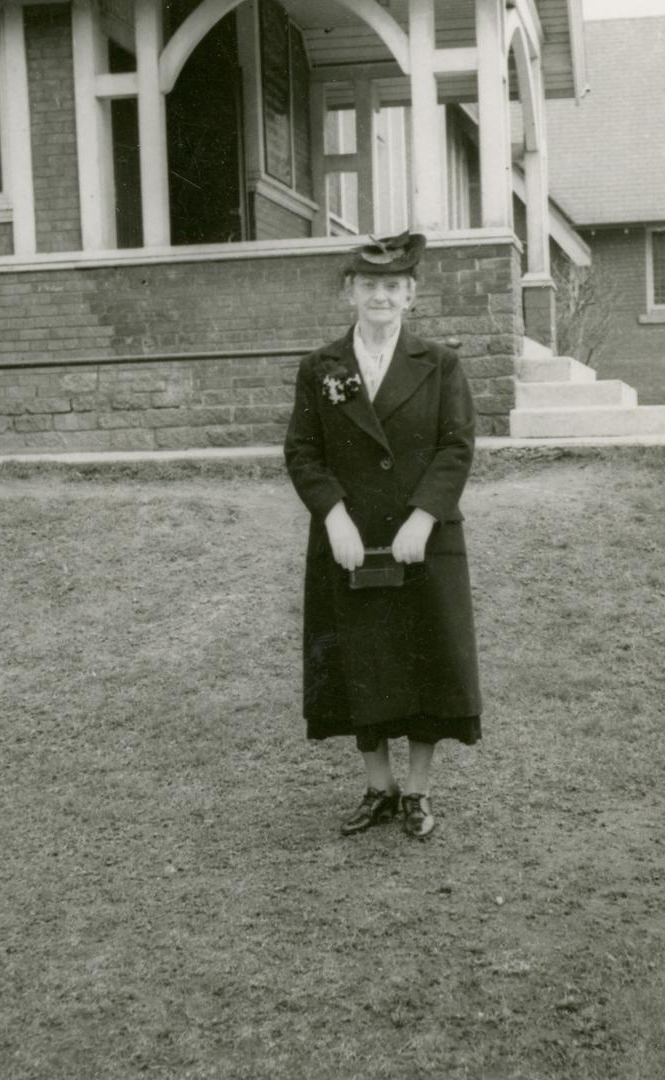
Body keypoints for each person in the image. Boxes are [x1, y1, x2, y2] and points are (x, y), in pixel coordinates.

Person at [284, 230, 482, 839]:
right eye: (369, 285)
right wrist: (333, 516)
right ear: (350, 292)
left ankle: (418, 793)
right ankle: (380, 787)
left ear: (411, 295)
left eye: (393, 287)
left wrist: (424, 516)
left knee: (427, 662)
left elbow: (456, 447)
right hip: (352, 542)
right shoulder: (321, 368)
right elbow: (303, 452)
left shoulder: (440, 364)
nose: (381, 297)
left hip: (422, 540)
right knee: (360, 661)